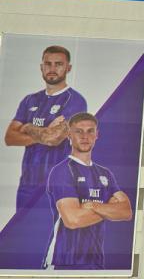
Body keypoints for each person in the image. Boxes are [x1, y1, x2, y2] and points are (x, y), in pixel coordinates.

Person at [4, 45, 88, 211]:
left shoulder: (75, 101)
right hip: (27, 186)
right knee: (22, 235)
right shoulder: (29, 100)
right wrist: (44, 132)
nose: (52, 68)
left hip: (57, 187)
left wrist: (28, 126)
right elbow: (10, 138)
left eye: (58, 64)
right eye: (48, 64)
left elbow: (54, 139)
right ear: (41, 67)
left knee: (53, 236)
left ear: (68, 68)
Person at [46, 112, 131, 270]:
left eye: (90, 131)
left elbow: (126, 211)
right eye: (78, 131)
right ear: (69, 135)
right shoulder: (62, 170)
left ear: (97, 135)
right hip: (63, 262)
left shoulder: (105, 174)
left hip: (96, 262)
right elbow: (73, 220)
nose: (85, 136)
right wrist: (108, 208)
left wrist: (93, 206)